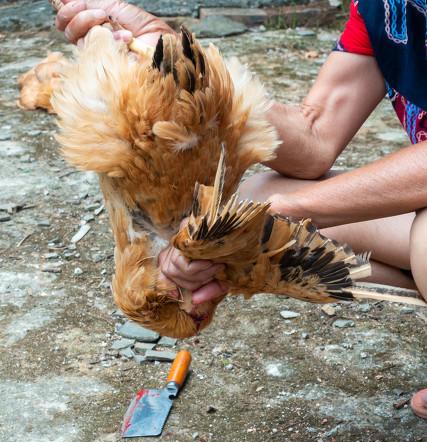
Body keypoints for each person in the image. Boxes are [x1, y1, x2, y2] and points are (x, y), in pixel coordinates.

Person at [56, 0, 427, 418]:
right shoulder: (382, 8)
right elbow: (315, 138)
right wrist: (177, 61)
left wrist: (291, 208)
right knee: (254, 211)